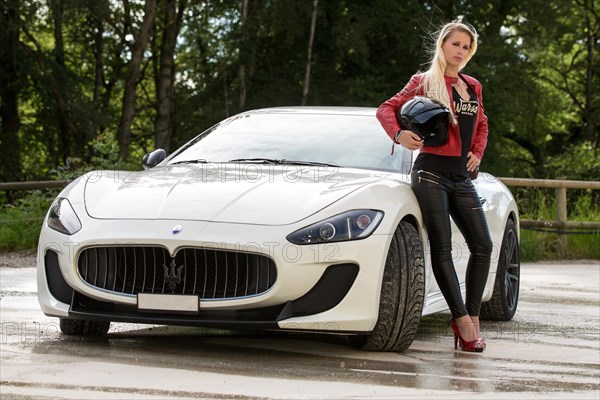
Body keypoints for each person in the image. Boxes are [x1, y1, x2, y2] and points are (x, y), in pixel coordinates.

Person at [376, 21, 492, 352]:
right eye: (456, 44)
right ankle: (462, 322)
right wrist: (399, 134)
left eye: (467, 47)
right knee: (441, 247)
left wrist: (477, 152)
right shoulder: (424, 82)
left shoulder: (473, 86)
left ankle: (472, 316)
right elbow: (386, 109)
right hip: (430, 174)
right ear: (443, 45)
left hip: (461, 176)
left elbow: (482, 124)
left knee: (482, 245)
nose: (461, 50)